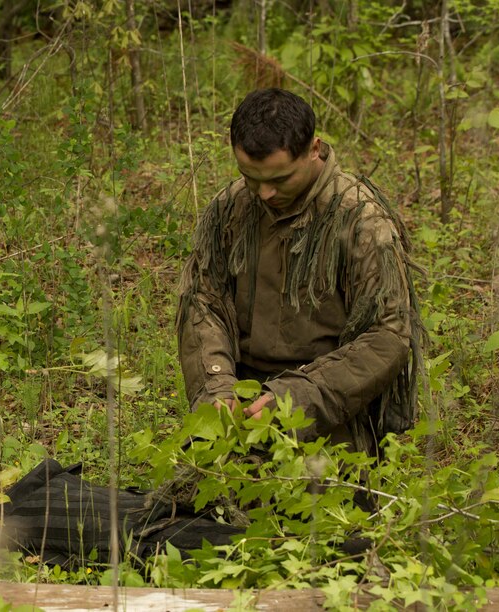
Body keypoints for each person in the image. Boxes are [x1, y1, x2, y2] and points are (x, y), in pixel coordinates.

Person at [176, 88, 422, 458]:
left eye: (281, 178)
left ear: (314, 150)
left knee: (309, 506)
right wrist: (217, 387)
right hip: (242, 395)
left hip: (330, 403)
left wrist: (298, 397)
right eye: (250, 177)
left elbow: (388, 336)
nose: (264, 193)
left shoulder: (360, 220)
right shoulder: (230, 208)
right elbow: (202, 303)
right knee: (190, 505)